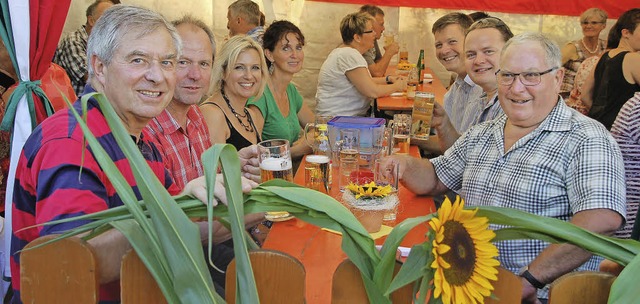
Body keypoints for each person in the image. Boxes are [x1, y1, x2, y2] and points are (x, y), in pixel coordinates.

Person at [10, 6, 257, 303]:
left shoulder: (141, 142)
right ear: (99, 67)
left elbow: (183, 231)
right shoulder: (71, 141)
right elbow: (74, 262)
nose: (157, 76)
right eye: (138, 60)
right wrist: (173, 212)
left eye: (167, 62)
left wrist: (257, 202)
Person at [384, 32, 625, 303]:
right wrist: (402, 164)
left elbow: (602, 219)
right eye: (507, 76)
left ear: (557, 79)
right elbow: (436, 177)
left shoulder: (586, 137)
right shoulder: (484, 132)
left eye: (531, 76)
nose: (516, 87)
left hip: (542, 295)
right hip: (470, 287)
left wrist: (529, 279)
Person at [431, 17, 512, 153]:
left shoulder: (512, 100)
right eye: (471, 54)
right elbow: (463, 152)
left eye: (488, 51)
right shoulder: (461, 89)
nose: (444, 51)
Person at [315, 12, 405, 117]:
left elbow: (364, 81)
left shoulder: (345, 52)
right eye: (371, 31)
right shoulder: (349, 55)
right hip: (338, 121)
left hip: (343, 117)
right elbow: (373, 91)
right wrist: (397, 86)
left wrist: (388, 79)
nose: (374, 34)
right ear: (357, 37)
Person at [248, 20, 314, 161]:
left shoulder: (291, 90)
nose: (295, 54)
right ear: (269, 55)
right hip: (269, 177)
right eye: (286, 48)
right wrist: (297, 150)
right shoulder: (259, 94)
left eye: (298, 47)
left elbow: (316, 128)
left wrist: (305, 141)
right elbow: (254, 153)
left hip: (289, 171)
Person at [200, 36, 268, 150]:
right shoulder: (212, 113)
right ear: (223, 72)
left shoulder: (251, 115)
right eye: (239, 67)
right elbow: (215, 167)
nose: (249, 76)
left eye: (255, 67)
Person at [583, 8, 640, 130]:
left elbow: (585, 95)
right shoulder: (633, 58)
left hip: (597, 126)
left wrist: (603, 117)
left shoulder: (604, 55)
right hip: (622, 132)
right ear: (626, 33)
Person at [431, 13, 483, 134]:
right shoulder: (455, 89)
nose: (444, 50)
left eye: (452, 42)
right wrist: (407, 137)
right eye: (439, 45)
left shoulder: (484, 89)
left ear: (470, 42)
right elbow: (450, 141)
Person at [53, 0, 115, 96]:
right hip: (76, 106)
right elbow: (89, 78)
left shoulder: (105, 44)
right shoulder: (73, 40)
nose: (112, 23)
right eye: (107, 18)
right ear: (91, 21)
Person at [560, 8, 608, 97]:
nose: (588, 26)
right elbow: (551, 68)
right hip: (568, 99)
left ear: (603, 26)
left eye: (594, 23)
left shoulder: (606, 47)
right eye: (585, 23)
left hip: (593, 98)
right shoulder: (572, 47)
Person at [358, 5, 399, 77]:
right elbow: (377, 73)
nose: (383, 28)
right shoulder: (360, 43)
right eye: (381, 24)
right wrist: (389, 53)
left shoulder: (372, 39)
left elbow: (379, 64)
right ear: (369, 23)